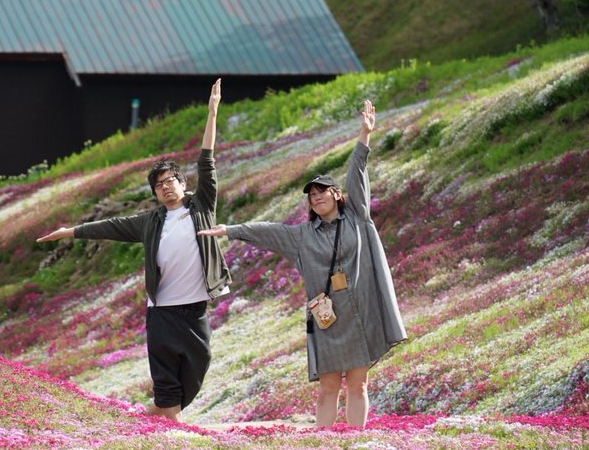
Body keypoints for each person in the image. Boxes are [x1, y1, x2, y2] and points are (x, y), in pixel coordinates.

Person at [197, 99, 406, 428]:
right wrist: (230, 230)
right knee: (327, 388)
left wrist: (364, 136)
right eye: (312, 194)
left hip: (360, 310)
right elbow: (268, 232)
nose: (317, 196)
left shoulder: (357, 217)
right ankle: (322, 444)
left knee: (358, 384)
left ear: (337, 194)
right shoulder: (301, 235)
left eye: (323, 191)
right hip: (325, 317)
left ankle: (353, 442)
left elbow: (357, 175)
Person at [36, 79, 232, 421]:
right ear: (155, 193)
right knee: (167, 380)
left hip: (195, 308)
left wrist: (212, 112)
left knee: (199, 366)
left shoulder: (201, 206)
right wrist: (70, 231)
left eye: (171, 181)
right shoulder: (150, 222)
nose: (166, 188)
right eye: (159, 186)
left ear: (182, 183)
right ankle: (169, 426)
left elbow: (207, 161)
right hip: (162, 312)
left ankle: (152, 417)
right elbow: (110, 226)